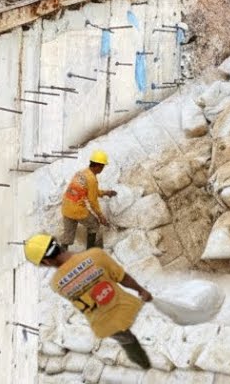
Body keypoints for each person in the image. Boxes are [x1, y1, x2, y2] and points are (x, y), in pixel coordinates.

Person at [23, 233, 154, 370]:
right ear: (56, 243)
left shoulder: (56, 284)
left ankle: (144, 364)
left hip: (106, 324)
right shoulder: (96, 255)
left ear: (45, 262)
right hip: (126, 307)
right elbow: (122, 277)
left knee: (128, 340)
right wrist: (141, 290)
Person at [58, 150, 118, 250]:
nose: (102, 169)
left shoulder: (81, 173)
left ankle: (60, 258)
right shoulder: (92, 179)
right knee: (94, 225)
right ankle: (90, 252)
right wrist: (101, 216)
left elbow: (92, 191)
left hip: (66, 206)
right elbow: (93, 200)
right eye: (103, 166)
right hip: (77, 209)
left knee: (67, 235)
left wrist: (106, 192)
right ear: (98, 166)